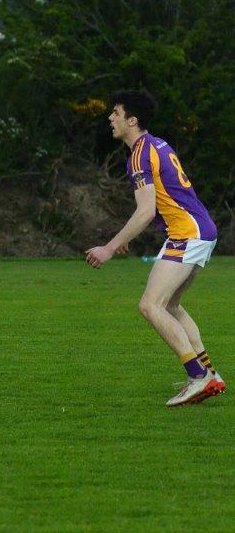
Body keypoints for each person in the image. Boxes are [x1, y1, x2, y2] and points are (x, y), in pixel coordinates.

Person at [85, 90, 224, 408]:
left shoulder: (138, 154)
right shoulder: (157, 144)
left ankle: (197, 376)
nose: (111, 117)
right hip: (200, 229)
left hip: (187, 233)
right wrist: (126, 236)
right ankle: (210, 375)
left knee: (150, 306)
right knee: (171, 305)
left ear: (132, 120)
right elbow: (161, 200)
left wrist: (109, 247)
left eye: (116, 113)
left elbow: (146, 210)